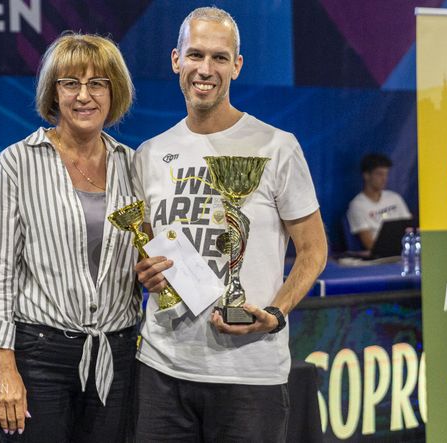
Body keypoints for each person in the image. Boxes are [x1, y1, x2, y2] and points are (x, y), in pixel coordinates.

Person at [132, 7, 328, 442]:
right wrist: (143, 270)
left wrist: (275, 313)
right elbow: (145, 249)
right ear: (176, 60)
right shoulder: (149, 154)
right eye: (195, 54)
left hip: (249, 375)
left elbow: (314, 250)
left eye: (219, 57)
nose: (206, 69)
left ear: (236, 66)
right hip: (162, 370)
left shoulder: (277, 147)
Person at [0, 32, 140, 442]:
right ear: (54, 92)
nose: (84, 95)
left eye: (97, 83)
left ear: (113, 92)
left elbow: (149, 256)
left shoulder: (134, 165)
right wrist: (4, 365)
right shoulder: (14, 164)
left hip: (117, 356)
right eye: (71, 83)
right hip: (39, 359)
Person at [347, 153, 412, 251]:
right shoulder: (357, 205)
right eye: (379, 174)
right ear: (366, 175)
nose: (384, 178)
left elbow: (409, 228)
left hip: (403, 250)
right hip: (381, 256)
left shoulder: (395, 198)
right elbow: (369, 244)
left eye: (386, 174)